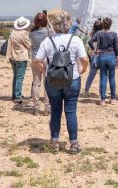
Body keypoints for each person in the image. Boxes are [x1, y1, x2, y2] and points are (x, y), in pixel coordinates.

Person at [33, 9, 88, 154]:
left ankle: (55, 142)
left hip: (52, 80)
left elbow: (37, 60)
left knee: (55, 111)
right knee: (71, 111)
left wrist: (45, 70)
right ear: (69, 24)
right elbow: (84, 59)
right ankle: (74, 143)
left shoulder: (48, 40)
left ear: (55, 25)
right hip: (72, 79)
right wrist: (83, 69)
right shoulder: (76, 40)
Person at [88, 17, 118, 106]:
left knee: (103, 77)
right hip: (112, 55)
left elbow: (90, 41)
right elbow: (116, 47)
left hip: (102, 56)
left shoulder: (99, 33)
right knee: (112, 77)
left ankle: (103, 100)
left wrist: (94, 50)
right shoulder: (114, 34)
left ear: (103, 24)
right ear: (110, 24)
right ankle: (113, 99)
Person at [30, 12, 53, 114]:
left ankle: (36, 107)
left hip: (35, 58)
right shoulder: (48, 31)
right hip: (46, 59)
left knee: (36, 83)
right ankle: (47, 107)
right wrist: (48, 22)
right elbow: (53, 34)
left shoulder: (31, 32)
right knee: (47, 83)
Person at [7, 17, 31, 103]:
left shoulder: (13, 32)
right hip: (21, 57)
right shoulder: (24, 34)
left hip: (12, 56)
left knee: (15, 76)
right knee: (20, 77)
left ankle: (15, 94)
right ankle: (18, 96)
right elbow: (29, 46)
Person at [83, 18, 103, 96]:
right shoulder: (102, 33)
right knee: (103, 76)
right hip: (101, 56)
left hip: (93, 57)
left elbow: (88, 45)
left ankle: (86, 90)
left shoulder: (91, 34)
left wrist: (91, 54)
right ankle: (101, 92)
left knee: (91, 75)